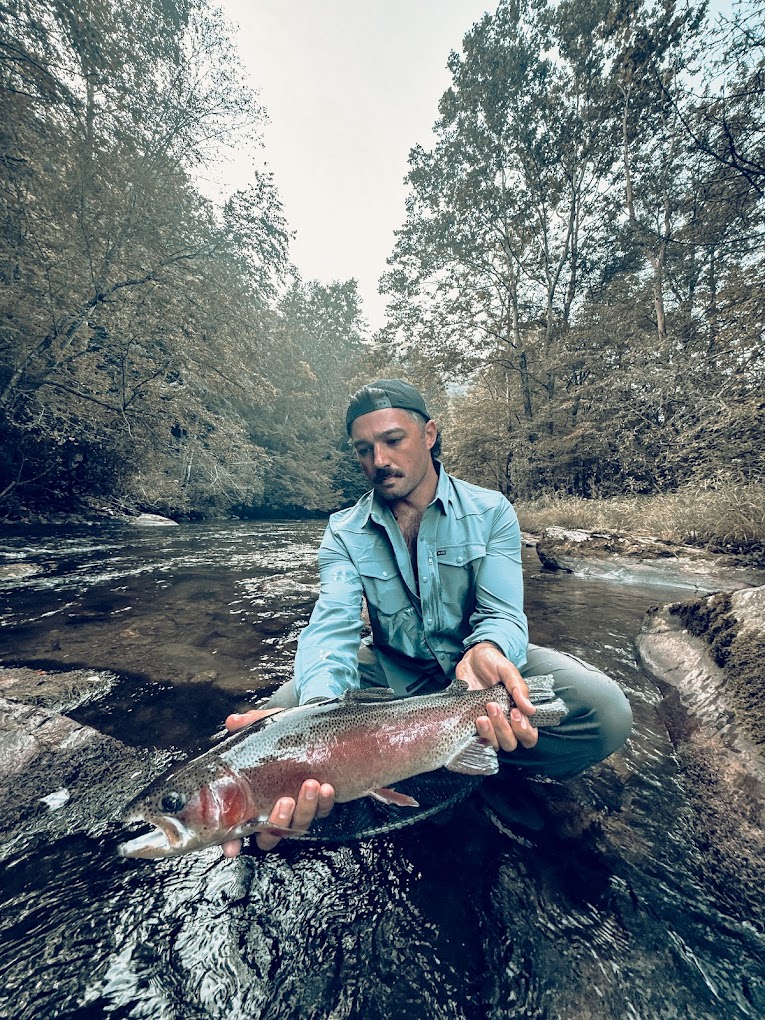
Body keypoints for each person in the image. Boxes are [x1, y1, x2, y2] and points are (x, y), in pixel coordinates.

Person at [222, 380, 632, 856]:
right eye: (364, 449)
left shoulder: (492, 511)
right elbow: (331, 627)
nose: (379, 461)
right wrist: (319, 716)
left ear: (430, 434)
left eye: (393, 441)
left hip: (475, 670)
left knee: (606, 712)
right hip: (391, 675)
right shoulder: (342, 531)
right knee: (268, 735)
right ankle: (388, 760)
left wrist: (490, 649)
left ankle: (487, 763)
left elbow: (502, 613)